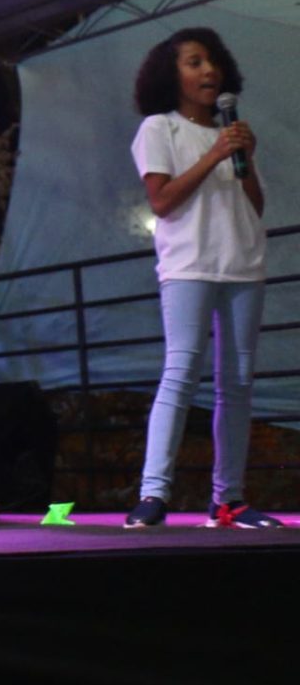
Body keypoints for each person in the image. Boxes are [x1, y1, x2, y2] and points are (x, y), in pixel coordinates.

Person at [127, 27, 280, 530]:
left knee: (238, 382)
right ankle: (153, 493)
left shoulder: (231, 133)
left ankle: (228, 499)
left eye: (212, 61)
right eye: (194, 62)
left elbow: (255, 205)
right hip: (189, 265)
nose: (208, 70)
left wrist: (243, 158)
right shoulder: (159, 128)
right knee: (182, 371)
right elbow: (162, 201)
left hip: (243, 263)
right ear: (171, 75)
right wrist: (213, 155)